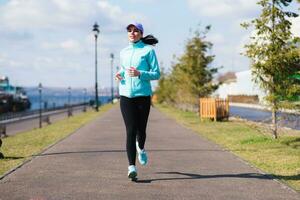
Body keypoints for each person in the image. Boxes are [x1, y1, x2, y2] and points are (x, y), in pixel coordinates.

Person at [115, 22, 160, 180]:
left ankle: (141, 147)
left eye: (135, 31)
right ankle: (131, 167)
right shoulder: (124, 52)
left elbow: (156, 74)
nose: (132, 33)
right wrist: (119, 74)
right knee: (130, 130)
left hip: (143, 95)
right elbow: (123, 69)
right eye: (129, 30)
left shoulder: (148, 51)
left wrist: (140, 73)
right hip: (126, 95)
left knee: (141, 130)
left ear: (141, 33)